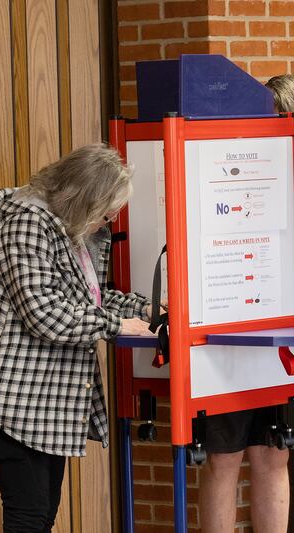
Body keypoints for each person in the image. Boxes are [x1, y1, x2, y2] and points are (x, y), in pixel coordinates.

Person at [0, 143, 154, 532]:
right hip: (9, 393)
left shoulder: (68, 226)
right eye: (106, 211)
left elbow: (87, 297)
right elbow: (43, 313)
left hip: (43, 394)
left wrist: (145, 309)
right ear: (82, 197)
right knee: (29, 513)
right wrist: (115, 326)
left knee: (41, 512)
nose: (109, 221)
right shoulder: (25, 223)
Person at [194, 76, 294, 533]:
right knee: (224, 459)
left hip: (279, 338)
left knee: (273, 455)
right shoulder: (224, 165)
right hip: (226, 333)